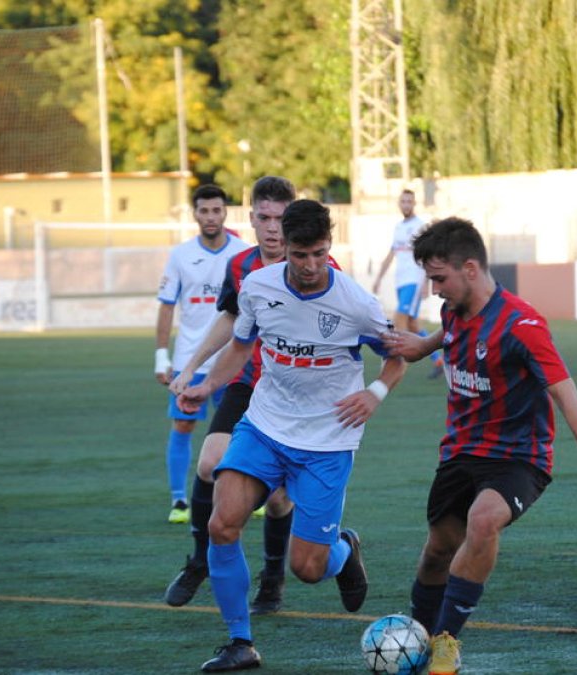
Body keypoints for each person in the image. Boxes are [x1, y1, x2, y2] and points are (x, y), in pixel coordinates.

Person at [382, 217, 577, 675]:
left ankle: (446, 643)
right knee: (438, 551)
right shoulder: (453, 310)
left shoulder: (522, 326)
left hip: (518, 457)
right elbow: (450, 334)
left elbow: (568, 396)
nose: (434, 290)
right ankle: (419, 637)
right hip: (460, 451)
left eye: (440, 278)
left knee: (483, 520)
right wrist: (423, 346)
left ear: (470, 268)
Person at [180, 199, 407, 672]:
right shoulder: (257, 287)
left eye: (319, 254)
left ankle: (343, 551)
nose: (309, 265)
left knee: (307, 568)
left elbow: (396, 357)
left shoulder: (356, 303)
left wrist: (376, 392)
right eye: (300, 255)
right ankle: (240, 642)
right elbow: (241, 346)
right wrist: (207, 385)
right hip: (265, 426)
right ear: (284, 246)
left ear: (330, 246)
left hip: (327, 442)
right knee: (223, 524)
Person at [163, 176, 300, 614]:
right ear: (251, 218)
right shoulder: (240, 265)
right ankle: (200, 560)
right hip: (247, 383)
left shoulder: (312, 264)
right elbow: (229, 318)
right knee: (208, 464)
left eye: (280, 219)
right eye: (264, 217)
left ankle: (273, 579)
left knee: (277, 498)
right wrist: (192, 369)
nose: (273, 228)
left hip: (291, 393)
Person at [154, 184, 250, 523]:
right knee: (183, 425)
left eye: (216, 210)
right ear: (194, 214)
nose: (210, 217)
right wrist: (161, 357)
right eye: (204, 210)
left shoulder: (243, 254)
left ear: (225, 213)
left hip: (234, 360)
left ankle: (249, 496)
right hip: (189, 361)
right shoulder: (180, 255)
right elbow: (166, 307)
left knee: (240, 430)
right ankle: (180, 501)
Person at [372, 188, 443, 377]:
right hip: (400, 281)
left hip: (414, 280)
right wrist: (378, 278)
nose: (406, 205)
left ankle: (394, 367)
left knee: (399, 319)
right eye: (403, 201)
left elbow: (428, 254)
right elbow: (391, 254)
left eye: (409, 201)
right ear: (399, 203)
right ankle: (438, 360)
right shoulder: (398, 228)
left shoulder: (419, 226)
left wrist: (426, 282)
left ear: (414, 204)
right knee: (412, 325)